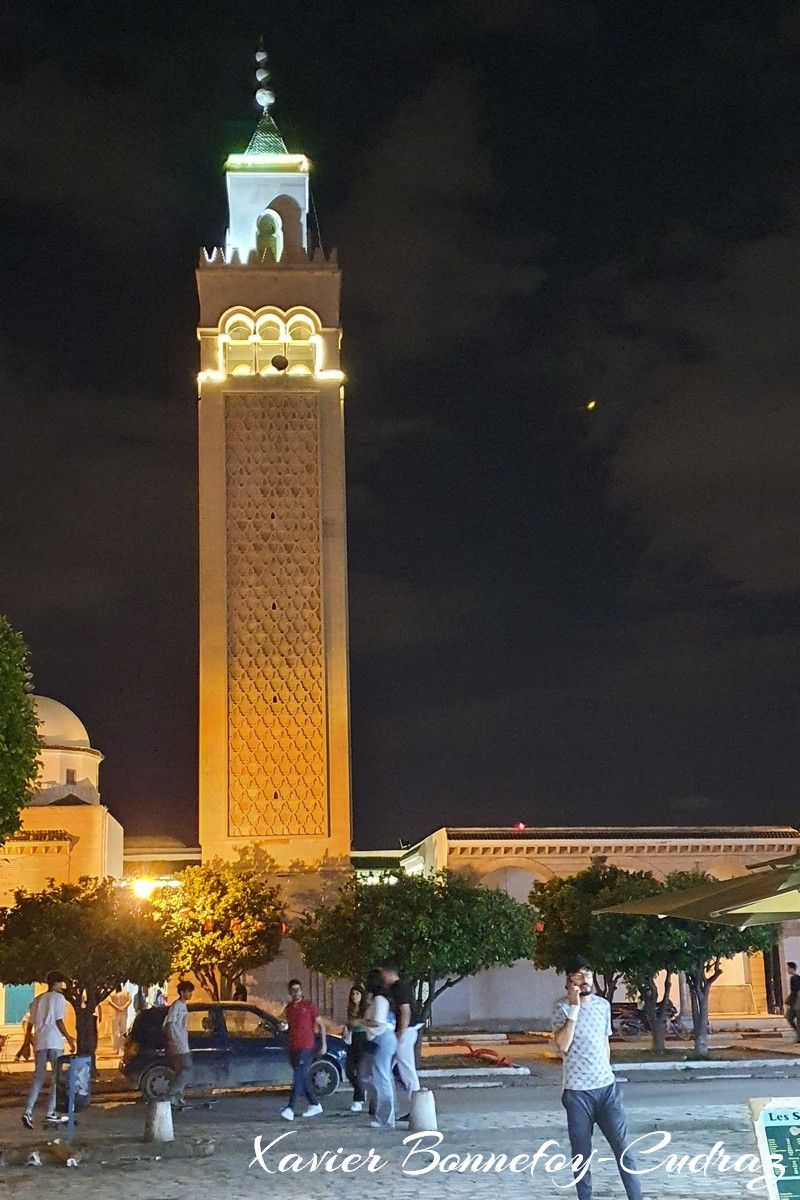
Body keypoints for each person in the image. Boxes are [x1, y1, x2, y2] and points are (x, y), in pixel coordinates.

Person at [552, 955, 644, 1200]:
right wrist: (574, 1008)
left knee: (624, 1149)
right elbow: (562, 1045)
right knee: (581, 1154)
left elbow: (605, 1043)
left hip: (606, 1090)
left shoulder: (603, 1006)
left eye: (588, 975)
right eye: (578, 976)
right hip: (577, 1093)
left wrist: (607, 1072)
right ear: (569, 982)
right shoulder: (561, 1008)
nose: (585, 980)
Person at [21, 971, 76, 1129]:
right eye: (61, 983)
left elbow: (30, 1024)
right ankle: (50, 1112)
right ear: (56, 983)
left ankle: (28, 1111)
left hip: (40, 1042)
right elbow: (59, 1021)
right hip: (54, 1041)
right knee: (57, 1078)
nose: (62, 987)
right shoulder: (58, 998)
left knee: (38, 1078)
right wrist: (70, 1038)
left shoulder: (37, 1000)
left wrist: (26, 1042)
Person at [280, 979, 326, 1121]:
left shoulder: (309, 1006)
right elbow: (285, 1023)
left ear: (302, 991)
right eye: (293, 990)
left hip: (306, 1046)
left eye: (298, 989)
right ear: (289, 992)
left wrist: (324, 1044)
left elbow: (321, 1025)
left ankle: (290, 1107)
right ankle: (314, 1104)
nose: (296, 992)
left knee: (298, 1076)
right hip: (293, 1046)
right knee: (302, 1077)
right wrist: (283, 1027)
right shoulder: (288, 1009)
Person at [380, 963, 422, 1119]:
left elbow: (405, 1011)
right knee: (388, 1069)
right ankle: (391, 1107)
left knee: (406, 1069)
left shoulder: (399, 988)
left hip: (406, 1031)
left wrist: (400, 1033)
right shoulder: (397, 988)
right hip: (404, 1031)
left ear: (388, 973)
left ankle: (418, 1108)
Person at [360, 971, 397, 1129]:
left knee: (382, 1077)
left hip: (382, 1039)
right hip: (378, 1039)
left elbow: (378, 1023)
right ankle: (384, 1109)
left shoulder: (380, 1000)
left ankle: (386, 1118)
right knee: (366, 1073)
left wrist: (363, 1022)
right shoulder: (376, 1000)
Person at [163, 980, 195, 1109]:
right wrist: (174, 1040)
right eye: (188, 991)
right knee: (186, 1068)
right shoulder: (176, 1006)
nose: (190, 994)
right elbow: (169, 1023)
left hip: (182, 1041)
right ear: (182, 992)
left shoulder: (183, 1006)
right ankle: (171, 1094)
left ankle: (178, 1096)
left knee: (180, 1070)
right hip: (179, 1043)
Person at [344, 984, 368, 1112]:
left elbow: (366, 1022)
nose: (354, 997)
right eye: (353, 994)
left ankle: (358, 1099)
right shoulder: (350, 1008)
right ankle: (360, 1092)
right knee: (349, 1070)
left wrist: (357, 1022)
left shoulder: (365, 1009)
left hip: (362, 1038)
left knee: (359, 1070)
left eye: (357, 994)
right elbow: (349, 1024)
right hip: (352, 1039)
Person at [107, 984, 132, 1056]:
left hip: (115, 1014)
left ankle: (116, 1048)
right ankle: (121, 1049)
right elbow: (130, 1000)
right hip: (123, 1013)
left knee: (115, 1031)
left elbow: (109, 1001)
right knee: (122, 1031)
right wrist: (124, 1007)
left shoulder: (112, 993)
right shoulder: (125, 992)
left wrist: (117, 1008)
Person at [785, 963, 800, 1038]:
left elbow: (794, 991)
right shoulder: (795, 978)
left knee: (795, 1018)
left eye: (788, 968)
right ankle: (798, 1034)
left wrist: (789, 1002)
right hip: (795, 1002)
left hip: (797, 1002)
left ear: (792, 968)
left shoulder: (795, 978)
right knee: (790, 1017)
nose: (787, 970)